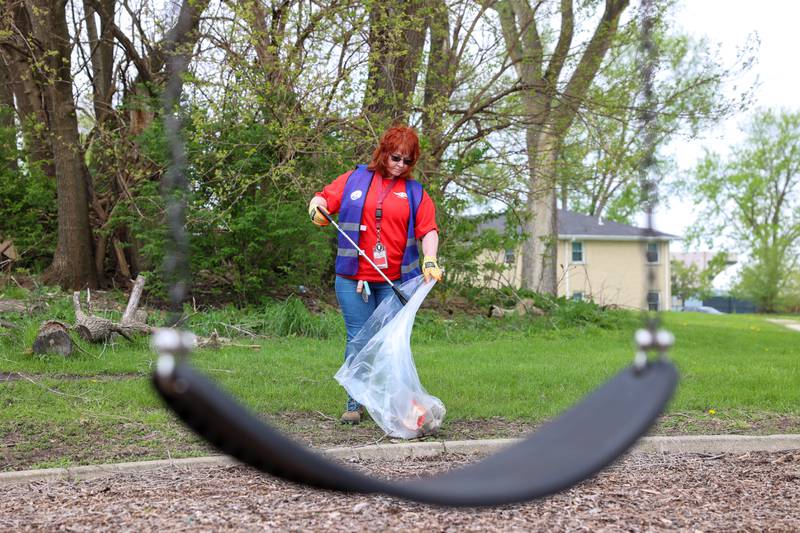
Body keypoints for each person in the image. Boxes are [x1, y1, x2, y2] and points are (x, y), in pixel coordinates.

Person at [308, 125, 443, 424]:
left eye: (408, 161)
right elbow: (322, 200)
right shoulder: (356, 179)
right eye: (396, 157)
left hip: (395, 282)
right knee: (358, 338)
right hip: (353, 278)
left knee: (391, 341)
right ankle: (354, 404)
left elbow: (428, 229)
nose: (400, 165)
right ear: (384, 153)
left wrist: (430, 259)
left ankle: (397, 404)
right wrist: (316, 209)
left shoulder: (414, 192)